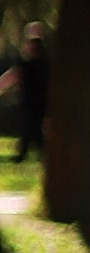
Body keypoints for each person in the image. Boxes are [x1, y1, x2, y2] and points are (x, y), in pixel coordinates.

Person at [4, 21, 47, 165]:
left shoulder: (36, 66)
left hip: (35, 104)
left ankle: (27, 153)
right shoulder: (36, 65)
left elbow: (12, 77)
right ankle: (29, 152)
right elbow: (12, 76)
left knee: (33, 128)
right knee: (32, 128)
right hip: (34, 104)